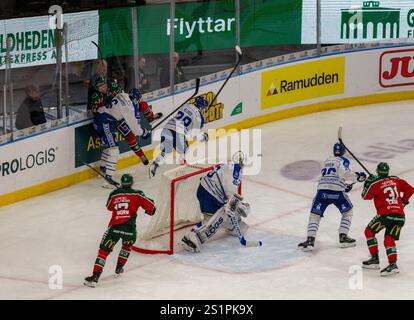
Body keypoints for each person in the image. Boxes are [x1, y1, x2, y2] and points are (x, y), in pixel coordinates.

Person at [84, 174, 156, 287]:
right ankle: (119, 268)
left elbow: (109, 207)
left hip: (114, 229)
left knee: (103, 252)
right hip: (129, 231)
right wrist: (150, 210)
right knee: (127, 246)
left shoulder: (114, 194)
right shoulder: (137, 194)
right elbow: (151, 206)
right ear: (132, 183)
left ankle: (95, 278)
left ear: (121, 183)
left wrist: (118, 195)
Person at [181, 151, 262, 252]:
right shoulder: (235, 170)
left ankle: (231, 226)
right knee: (221, 215)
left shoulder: (229, 165)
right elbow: (230, 195)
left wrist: (236, 204)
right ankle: (193, 236)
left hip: (205, 190)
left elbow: (229, 193)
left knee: (220, 217)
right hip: (210, 194)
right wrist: (237, 205)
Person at [297, 143, 367, 251]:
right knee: (348, 212)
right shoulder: (343, 160)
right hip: (337, 193)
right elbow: (345, 174)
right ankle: (343, 237)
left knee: (315, 215)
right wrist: (358, 176)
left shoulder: (327, 160)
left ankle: (310, 240)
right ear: (343, 152)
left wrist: (345, 185)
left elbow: (331, 177)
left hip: (322, 192)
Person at [93, 79, 151, 187]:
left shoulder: (123, 94)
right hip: (105, 122)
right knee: (114, 151)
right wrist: (144, 132)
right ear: (135, 99)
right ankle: (108, 179)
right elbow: (135, 130)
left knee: (109, 148)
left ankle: (102, 169)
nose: (137, 103)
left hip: (102, 119)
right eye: (137, 101)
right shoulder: (129, 107)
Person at [361, 162, 414, 276]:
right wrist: (404, 201)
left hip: (385, 215)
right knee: (389, 239)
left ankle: (374, 259)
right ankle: (393, 265)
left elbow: (365, 196)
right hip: (400, 216)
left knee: (369, 231)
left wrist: (368, 182)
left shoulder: (375, 183)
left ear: (377, 171)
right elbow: (410, 190)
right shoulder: (395, 179)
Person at [148, 95, 209, 177]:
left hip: (167, 128)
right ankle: (181, 171)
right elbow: (194, 135)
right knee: (184, 151)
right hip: (178, 133)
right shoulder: (198, 117)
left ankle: (154, 165)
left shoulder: (186, 105)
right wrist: (204, 137)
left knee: (166, 151)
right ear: (201, 106)